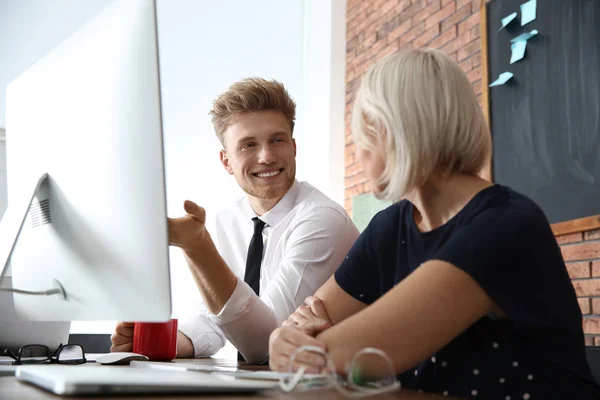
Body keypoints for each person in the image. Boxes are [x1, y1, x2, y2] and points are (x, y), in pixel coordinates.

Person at [269, 49, 600, 399]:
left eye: (362, 131)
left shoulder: (505, 224)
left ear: (389, 130)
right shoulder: (389, 227)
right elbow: (302, 328)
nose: (359, 150)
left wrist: (299, 346)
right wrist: (282, 338)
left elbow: (351, 354)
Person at [110, 78, 359, 363]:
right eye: (248, 145)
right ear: (226, 161)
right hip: (269, 385)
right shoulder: (228, 219)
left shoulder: (322, 221)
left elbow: (266, 344)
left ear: (293, 147)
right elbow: (213, 320)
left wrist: (197, 248)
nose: (266, 156)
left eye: (277, 140)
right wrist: (155, 344)